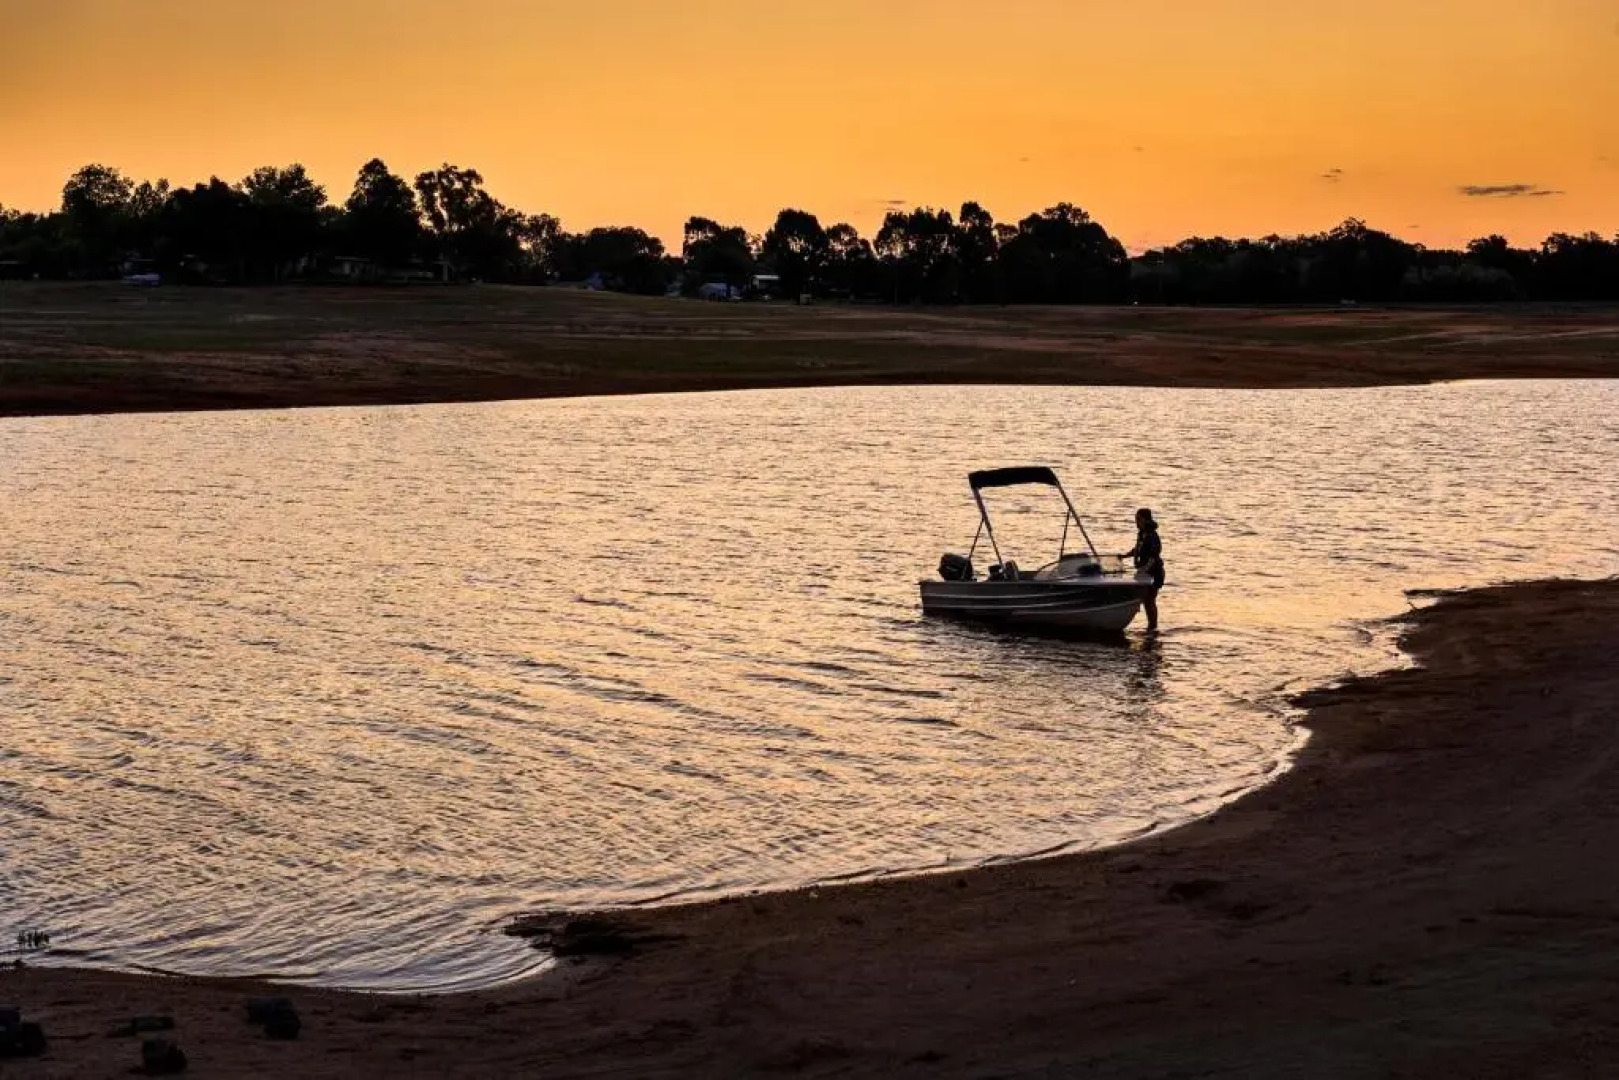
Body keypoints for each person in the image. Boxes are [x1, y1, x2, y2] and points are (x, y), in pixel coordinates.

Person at [1123, 508, 1165, 631]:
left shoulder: (1151, 535)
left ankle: (1153, 626)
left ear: (1146, 520)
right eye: (1136, 519)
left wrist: (1145, 570)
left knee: (1150, 600)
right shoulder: (1142, 534)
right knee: (1147, 600)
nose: (1136, 522)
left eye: (1139, 519)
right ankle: (1151, 627)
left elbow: (1153, 555)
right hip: (1145, 571)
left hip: (1154, 572)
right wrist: (1124, 556)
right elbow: (1137, 550)